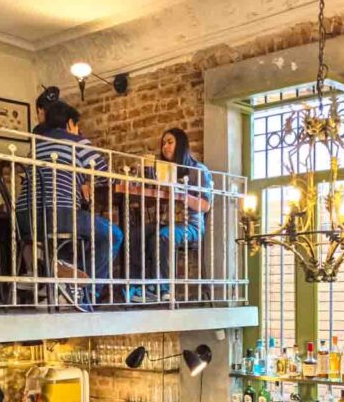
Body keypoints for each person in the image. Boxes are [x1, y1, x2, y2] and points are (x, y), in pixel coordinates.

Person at [15, 100, 122, 299]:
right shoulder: (77, 142)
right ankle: (87, 293)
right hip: (58, 215)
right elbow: (109, 177)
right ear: (71, 124)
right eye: (77, 125)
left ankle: (62, 280)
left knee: (70, 237)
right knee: (113, 234)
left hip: (24, 219)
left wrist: (79, 179)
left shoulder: (37, 145)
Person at [127, 128, 212, 303]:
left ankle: (163, 289)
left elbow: (205, 205)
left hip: (191, 225)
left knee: (162, 237)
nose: (165, 146)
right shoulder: (163, 171)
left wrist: (181, 195)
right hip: (166, 221)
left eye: (170, 142)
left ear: (181, 144)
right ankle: (137, 286)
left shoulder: (198, 170)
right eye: (163, 143)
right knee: (136, 234)